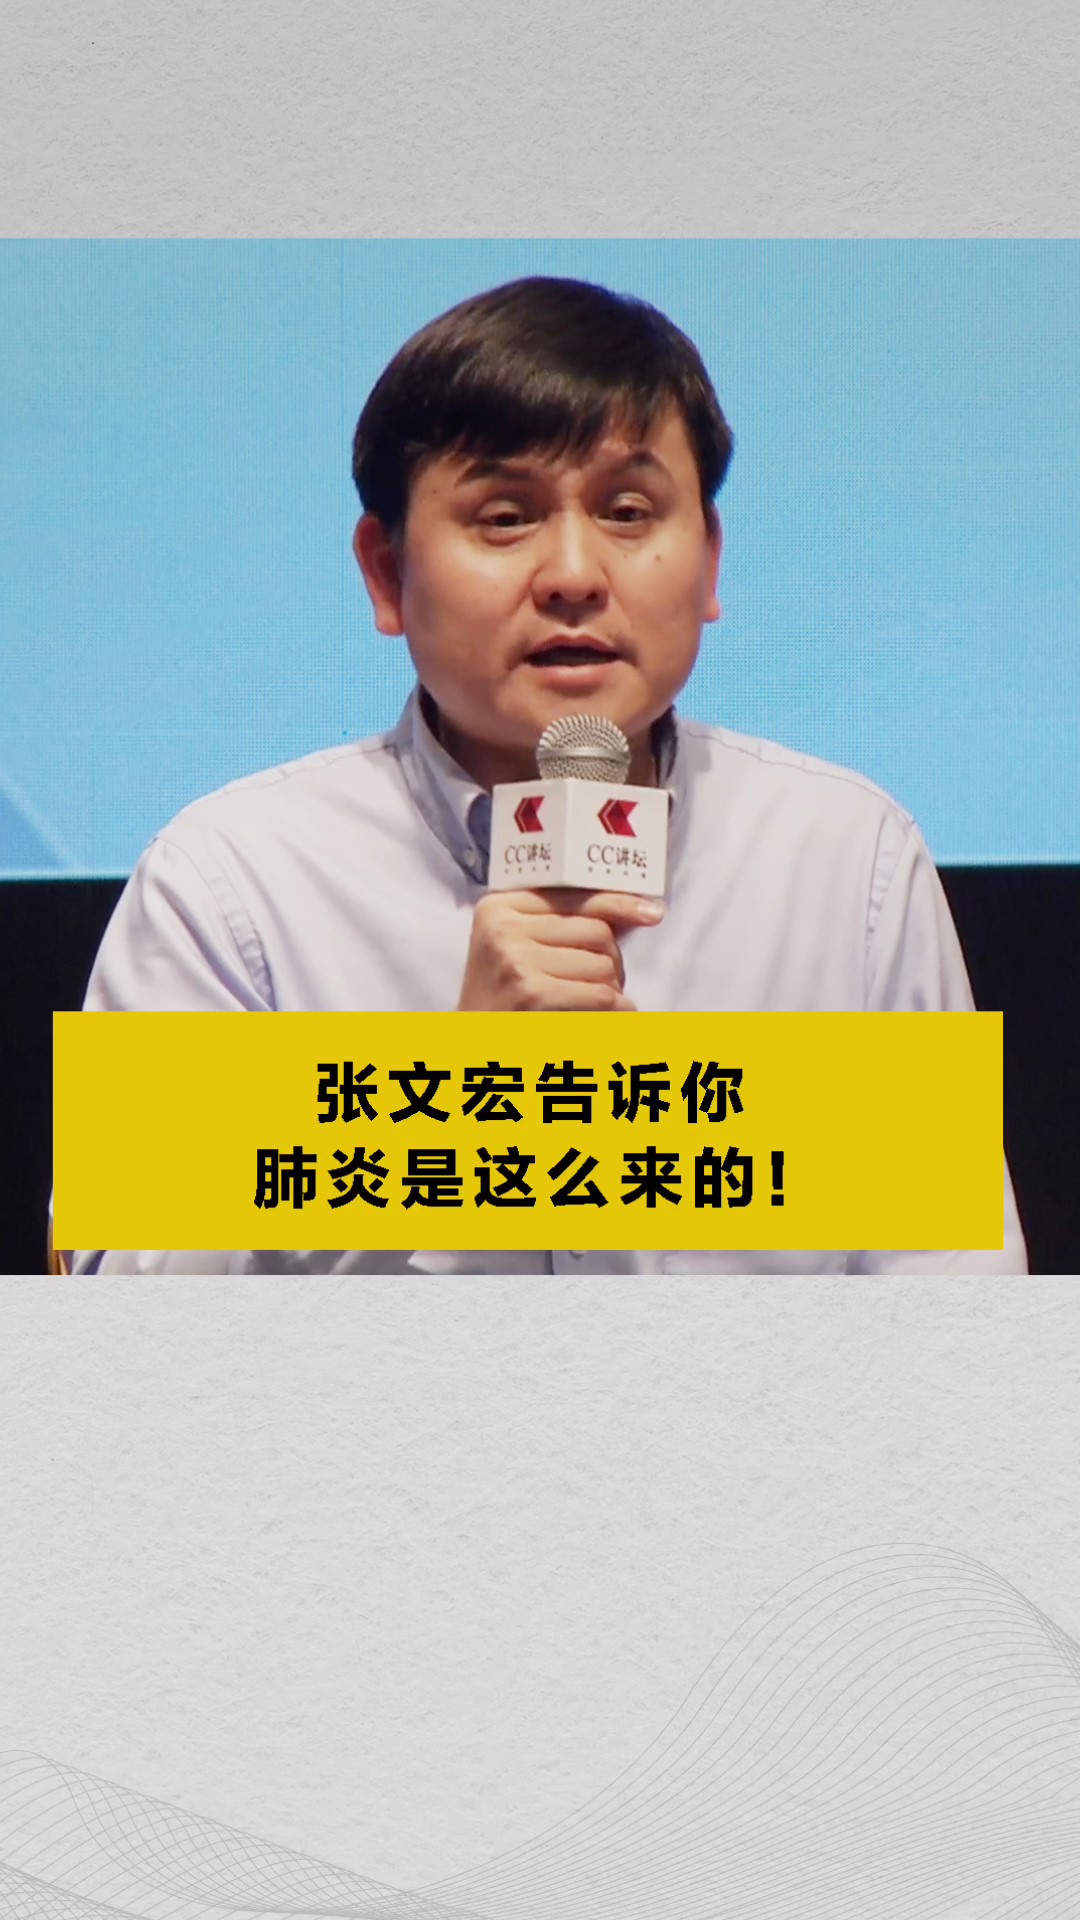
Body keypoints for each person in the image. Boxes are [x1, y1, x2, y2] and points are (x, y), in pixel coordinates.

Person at [67, 275, 1027, 1275]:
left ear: (709, 563)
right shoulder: (230, 884)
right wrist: (452, 1099)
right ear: (387, 573)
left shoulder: (844, 860)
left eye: (627, 510)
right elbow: (127, 1322)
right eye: (504, 517)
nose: (574, 574)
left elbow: (957, 1304)